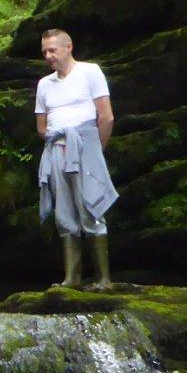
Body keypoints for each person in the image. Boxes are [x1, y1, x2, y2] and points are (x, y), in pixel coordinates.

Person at [34, 28, 118, 289]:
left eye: (52, 50)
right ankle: (72, 278)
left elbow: (106, 117)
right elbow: (41, 127)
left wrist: (95, 152)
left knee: (91, 206)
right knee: (64, 212)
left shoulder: (90, 72)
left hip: (85, 146)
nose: (48, 56)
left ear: (68, 47)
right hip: (56, 149)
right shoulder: (44, 84)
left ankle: (103, 279)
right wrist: (57, 138)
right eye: (44, 52)